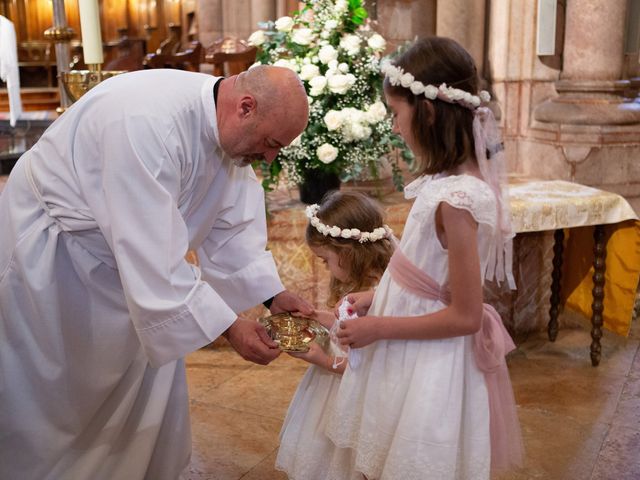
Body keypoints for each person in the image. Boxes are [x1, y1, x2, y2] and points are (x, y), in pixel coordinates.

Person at [0, 65, 313, 480]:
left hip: (134, 266)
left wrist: (273, 295)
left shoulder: (229, 137)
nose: (270, 157)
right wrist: (229, 326)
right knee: (57, 396)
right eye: (272, 143)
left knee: (152, 362)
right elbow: (154, 260)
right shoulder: (145, 123)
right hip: (62, 262)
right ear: (245, 107)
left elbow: (231, 222)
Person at [323, 37, 524, 479]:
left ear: (429, 112)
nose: (394, 126)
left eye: (397, 113)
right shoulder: (444, 183)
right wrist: (378, 296)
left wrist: (379, 327)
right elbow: (432, 279)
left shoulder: (457, 199)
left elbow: (466, 316)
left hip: (428, 364)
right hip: (407, 345)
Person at [275, 191, 394, 480]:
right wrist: (318, 317)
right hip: (334, 388)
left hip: (355, 395)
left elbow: (368, 367)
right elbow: (344, 324)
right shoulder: (367, 283)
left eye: (326, 260)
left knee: (348, 461)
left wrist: (322, 359)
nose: (325, 267)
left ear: (347, 252)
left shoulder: (381, 297)